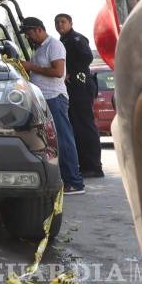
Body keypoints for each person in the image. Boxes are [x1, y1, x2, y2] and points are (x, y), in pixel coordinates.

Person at [20, 17, 85, 195]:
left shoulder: (54, 45)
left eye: (29, 33)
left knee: (64, 140)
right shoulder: (40, 48)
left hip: (55, 98)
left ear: (39, 29)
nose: (28, 37)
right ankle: (65, 179)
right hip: (44, 99)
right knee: (52, 141)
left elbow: (58, 72)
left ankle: (75, 182)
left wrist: (31, 67)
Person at [56, 13, 103, 178]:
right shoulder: (62, 42)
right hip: (72, 88)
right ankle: (83, 165)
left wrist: (71, 72)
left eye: (63, 22)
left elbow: (86, 57)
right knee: (76, 126)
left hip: (81, 85)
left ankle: (94, 166)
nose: (60, 25)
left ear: (70, 23)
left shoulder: (77, 39)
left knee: (85, 125)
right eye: (57, 22)